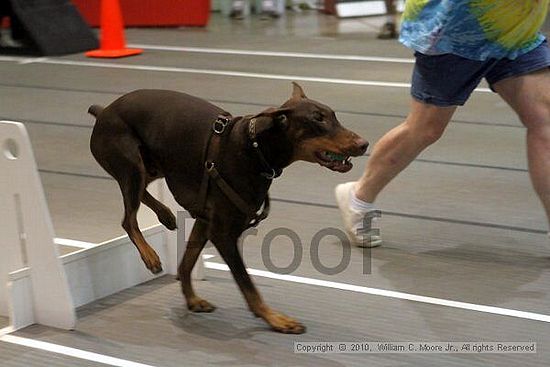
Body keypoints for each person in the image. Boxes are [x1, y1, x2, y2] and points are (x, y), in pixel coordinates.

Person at [336, 0, 550, 248]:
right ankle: (359, 196)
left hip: (516, 29)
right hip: (455, 31)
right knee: (425, 129)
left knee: (544, 120)